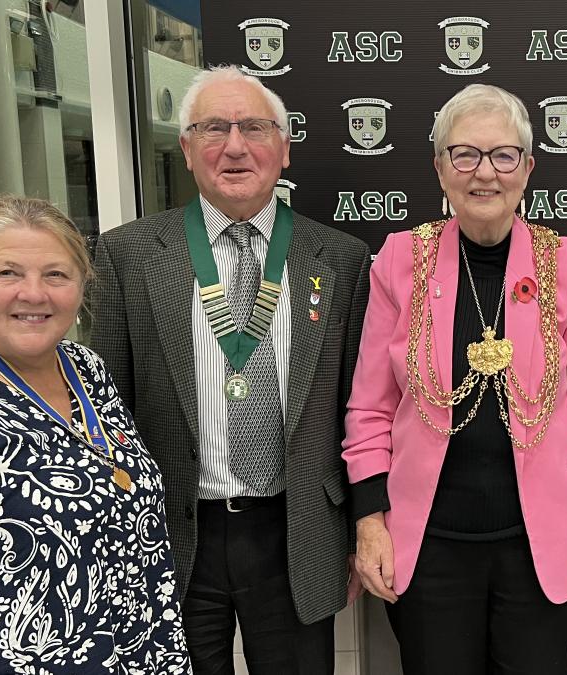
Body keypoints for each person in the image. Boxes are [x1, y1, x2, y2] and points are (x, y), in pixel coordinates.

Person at [343, 83, 567, 674]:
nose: (484, 173)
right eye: (464, 154)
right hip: (428, 550)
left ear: (527, 168)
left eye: (503, 155)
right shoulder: (400, 260)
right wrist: (369, 521)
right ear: (440, 167)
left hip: (540, 548)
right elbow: (370, 410)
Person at [91, 65, 372, 672]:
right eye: (214, 128)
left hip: (296, 527)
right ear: (187, 150)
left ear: (285, 147)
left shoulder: (343, 259)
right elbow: (103, 409)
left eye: (255, 127)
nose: (236, 145)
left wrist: (357, 531)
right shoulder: (128, 254)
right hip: (174, 530)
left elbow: (360, 411)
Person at [0, 195, 190, 672]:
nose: (34, 294)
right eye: (7, 273)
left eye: (56, 274)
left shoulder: (86, 368)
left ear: (81, 285)